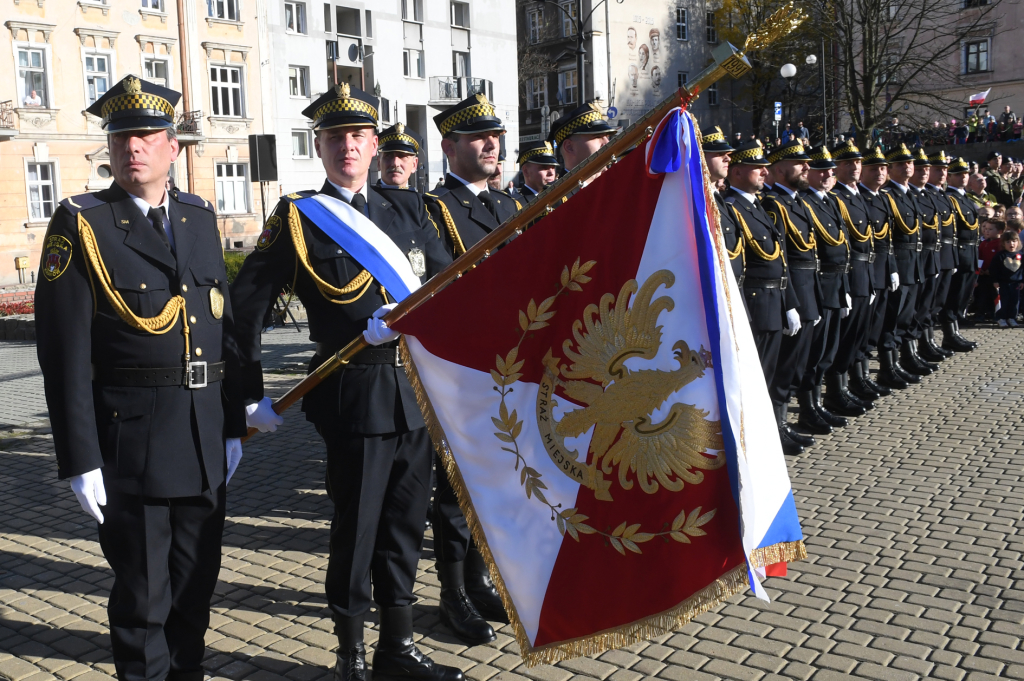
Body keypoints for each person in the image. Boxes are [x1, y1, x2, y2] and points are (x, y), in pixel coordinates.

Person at [228, 83, 461, 681]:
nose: (347, 147)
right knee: (357, 527)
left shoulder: (409, 209)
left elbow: (450, 288)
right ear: (320, 146)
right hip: (351, 394)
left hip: (414, 394)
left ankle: (398, 647)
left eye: (357, 136)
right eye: (335, 138)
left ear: (375, 144)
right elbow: (245, 309)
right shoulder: (300, 217)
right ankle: (350, 653)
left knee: (407, 522)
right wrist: (249, 393)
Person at [35, 75, 247, 681]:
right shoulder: (84, 223)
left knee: (196, 588)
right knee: (143, 601)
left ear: (173, 147)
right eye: (123, 135)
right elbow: (63, 353)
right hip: (134, 446)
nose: (134, 147)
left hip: (204, 439)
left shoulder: (200, 217)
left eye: (148, 136)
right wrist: (80, 457)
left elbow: (223, 329)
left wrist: (232, 423)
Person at [423, 94, 520, 644]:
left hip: (508, 369)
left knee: (497, 484)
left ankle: (482, 578)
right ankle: (452, 593)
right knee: (456, 491)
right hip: (460, 372)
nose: (491, 145)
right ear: (449, 147)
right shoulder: (433, 211)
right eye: (477, 138)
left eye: (495, 136)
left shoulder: (505, 208)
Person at [723, 140, 798, 393]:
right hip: (756, 305)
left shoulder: (756, 205)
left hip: (773, 303)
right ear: (737, 172)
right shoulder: (732, 207)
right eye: (758, 167)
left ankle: (775, 427)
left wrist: (789, 303)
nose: (765, 172)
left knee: (768, 375)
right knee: (754, 381)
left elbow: (781, 260)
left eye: (765, 167)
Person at [760, 140, 820, 454]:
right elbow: (781, 259)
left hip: (807, 290)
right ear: (780, 168)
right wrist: (790, 302)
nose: (807, 168)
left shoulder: (797, 202)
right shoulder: (773, 205)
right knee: (782, 368)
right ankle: (777, 427)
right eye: (800, 164)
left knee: (797, 364)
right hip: (791, 293)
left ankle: (786, 422)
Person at [800, 145, 856, 426]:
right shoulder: (805, 202)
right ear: (809, 173)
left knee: (828, 350)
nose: (827, 175)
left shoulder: (831, 201)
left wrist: (845, 286)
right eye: (821, 170)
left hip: (836, 284)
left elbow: (842, 246)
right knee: (814, 351)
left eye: (831, 171)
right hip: (820, 285)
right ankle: (808, 407)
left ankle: (820, 402)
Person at [828, 139, 880, 406]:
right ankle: (838, 390)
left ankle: (854, 381)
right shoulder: (837, 197)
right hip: (852, 272)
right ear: (835, 167)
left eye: (858, 162)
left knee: (860, 332)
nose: (855, 167)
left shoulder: (856, 194)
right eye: (847, 162)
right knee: (846, 336)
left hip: (866, 270)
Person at [879, 144, 925, 386]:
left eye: (909, 163)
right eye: (900, 164)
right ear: (890, 169)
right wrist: (892, 268)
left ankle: (901, 361)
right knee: (892, 319)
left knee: (907, 316)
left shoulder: (911, 194)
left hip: (914, 264)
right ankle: (887, 367)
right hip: (899, 263)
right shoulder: (888, 196)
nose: (907, 166)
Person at [856, 146, 899, 393]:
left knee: (881, 324)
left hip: (883, 270)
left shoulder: (882, 196)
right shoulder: (858, 197)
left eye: (883, 168)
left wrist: (892, 268)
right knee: (865, 329)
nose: (880, 173)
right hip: (868, 272)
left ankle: (877, 373)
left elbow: (887, 240)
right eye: (874, 168)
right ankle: (861, 378)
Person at [941, 156, 980, 351]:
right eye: (958, 174)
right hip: (960, 250)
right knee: (954, 295)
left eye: (965, 174)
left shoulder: (966, 198)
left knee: (963, 294)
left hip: (971, 250)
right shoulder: (950, 198)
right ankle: (950, 334)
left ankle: (955, 330)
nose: (963, 177)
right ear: (949, 177)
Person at [549, 101, 616, 178]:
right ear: (569, 147)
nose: (607, 142)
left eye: (607, 137)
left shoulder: (615, 186)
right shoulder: (558, 190)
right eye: (597, 136)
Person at [991, 230, 1023, 327]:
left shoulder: (1021, 255)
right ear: (1003, 243)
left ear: (1018, 242)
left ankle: (1012, 317)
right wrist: (995, 281)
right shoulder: (1000, 255)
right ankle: (1001, 318)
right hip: (1003, 283)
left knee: (1014, 301)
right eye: (1008, 242)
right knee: (1003, 301)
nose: (1011, 244)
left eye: (1014, 241)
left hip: (1016, 283)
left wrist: (1022, 281)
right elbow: (993, 269)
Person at [376, 122, 422, 190]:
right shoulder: (365, 199)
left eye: (402, 156)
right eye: (388, 156)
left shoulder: (423, 200)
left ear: (414, 164)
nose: (395, 163)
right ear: (379, 163)